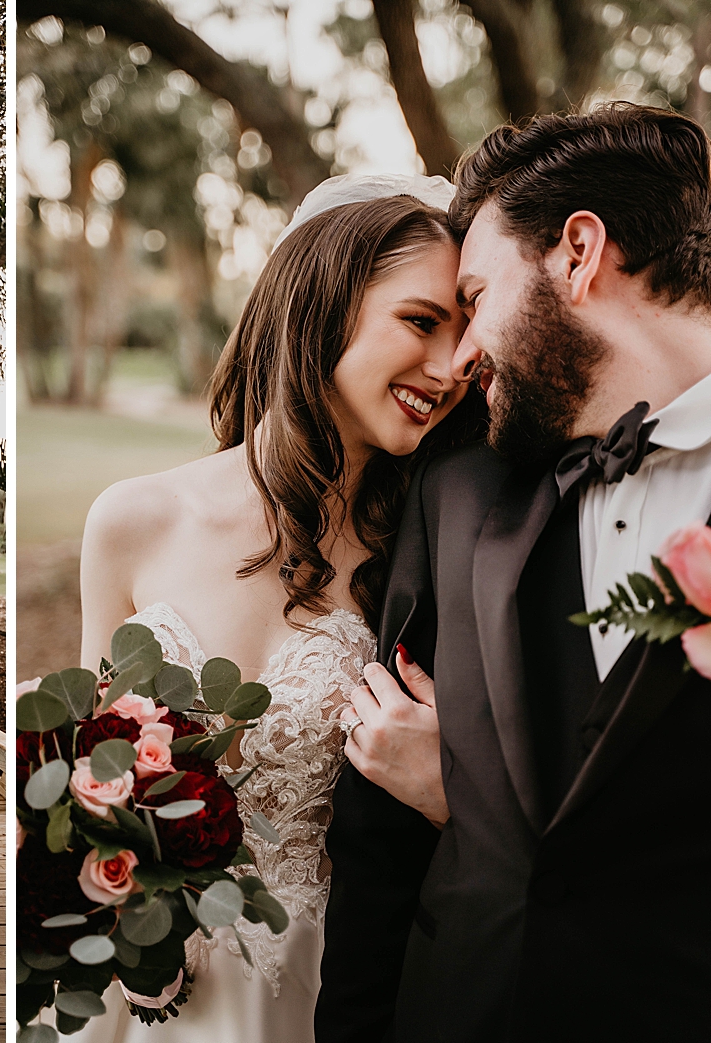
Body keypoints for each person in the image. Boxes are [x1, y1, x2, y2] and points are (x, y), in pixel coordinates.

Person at [316, 104, 711, 1043]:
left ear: (578, 254)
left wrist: (463, 790)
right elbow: (376, 852)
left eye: (478, 295)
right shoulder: (458, 492)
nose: (461, 357)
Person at [74, 176, 486, 1043]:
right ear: (322, 306)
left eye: (464, 332)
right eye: (421, 321)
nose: (452, 364)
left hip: (334, 991)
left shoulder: (430, 559)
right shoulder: (129, 522)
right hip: (145, 993)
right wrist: (126, 920)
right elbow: (94, 775)